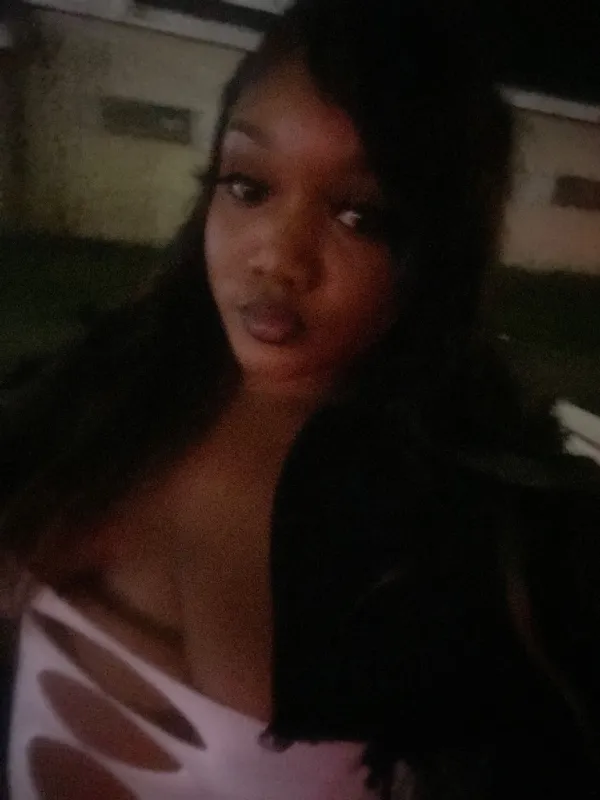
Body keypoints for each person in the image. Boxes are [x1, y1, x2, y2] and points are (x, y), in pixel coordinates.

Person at [1, 0, 599, 797]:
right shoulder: (108, 389)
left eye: (359, 215)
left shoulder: (462, 536)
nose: (278, 256)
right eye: (248, 186)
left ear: (437, 254)